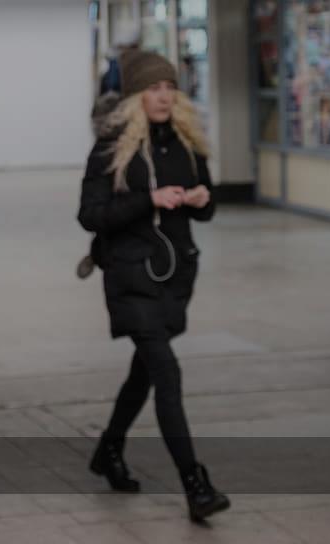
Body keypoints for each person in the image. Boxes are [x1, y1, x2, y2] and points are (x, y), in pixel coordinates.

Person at [78, 50, 230, 523]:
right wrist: (149, 200)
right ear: (134, 97)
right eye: (153, 88)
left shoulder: (186, 143)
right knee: (166, 372)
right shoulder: (111, 148)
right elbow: (91, 215)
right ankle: (195, 485)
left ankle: (109, 449)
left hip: (175, 276)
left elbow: (207, 208)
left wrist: (201, 199)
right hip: (130, 275)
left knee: (144, 371)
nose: (164, 96)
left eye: (170, 88)